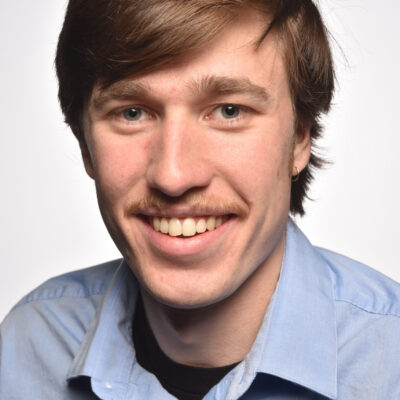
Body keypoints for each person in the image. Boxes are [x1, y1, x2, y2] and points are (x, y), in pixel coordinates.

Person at [1, 0, 400, 399]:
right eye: (133, 113)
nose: (173, 176)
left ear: (299, 139)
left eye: (229, 111)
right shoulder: (28, 348)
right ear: (85, 145)